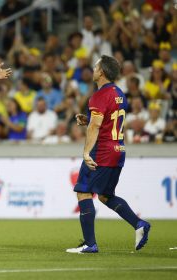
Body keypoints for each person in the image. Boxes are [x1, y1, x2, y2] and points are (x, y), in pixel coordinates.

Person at [67, 55, 151, 253]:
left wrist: (87, 151)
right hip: (118, 151)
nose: (93, 69)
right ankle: (139, 224)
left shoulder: (99, 96)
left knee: (83, 191)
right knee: (105, 196)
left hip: (102, 152)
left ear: (102, 72)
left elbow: (97, 125)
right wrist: (88, 119)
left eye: (96, 66)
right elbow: (107, 120)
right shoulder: (118, 92)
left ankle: (90, 244)